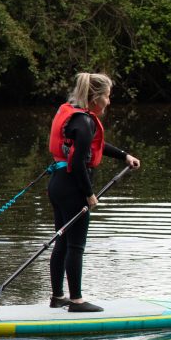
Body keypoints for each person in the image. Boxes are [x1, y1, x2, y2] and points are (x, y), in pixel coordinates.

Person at [47, 72, 141, 313]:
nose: (109, 102)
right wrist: (89, 195)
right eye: (107, 97)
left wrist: (124, 155)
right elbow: (78, 163)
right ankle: (76, 301)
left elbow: (91, 146)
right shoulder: (85, 122)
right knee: (75, 245)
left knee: (62, 241)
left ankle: (58, 297)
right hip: (73, 189)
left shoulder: (71, 113)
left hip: (57, 184)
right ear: (96, 98)